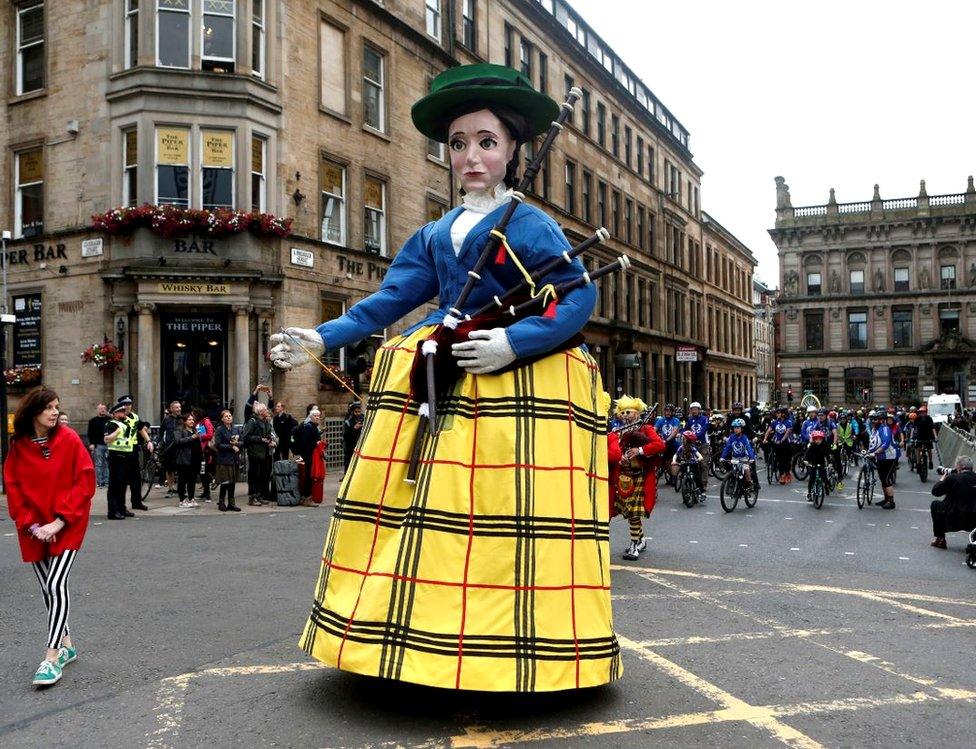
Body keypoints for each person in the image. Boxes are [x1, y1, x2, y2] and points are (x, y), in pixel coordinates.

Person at [268, 63, 620, 691]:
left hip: (511, 381)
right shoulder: (435, 233)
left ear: (513, 150)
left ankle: (505, 648)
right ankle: (421, 632)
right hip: (439, 370)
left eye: (486, 142)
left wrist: (515, 340)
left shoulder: (529, 223)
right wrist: (324, 337)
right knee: (422, 507)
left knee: (501, 514)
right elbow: (390, 300)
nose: (471, 157)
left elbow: (575, 295)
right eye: (459, 144)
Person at [4, 387, 95, 687]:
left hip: (67, 523)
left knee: (56, 583)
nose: (55, 412)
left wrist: (57, 523)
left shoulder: (68, 439)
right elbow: (14, 489)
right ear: (33, 412)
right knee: (48, 589)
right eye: (49, 408)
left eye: (57, 406)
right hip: (33, 528)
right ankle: (68, 645)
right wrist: (32, 526)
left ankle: (52, 658)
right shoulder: (18, 446)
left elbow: (85, 481)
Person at [609, 396, 665, 560]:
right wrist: (620, 458)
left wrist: (639, 450)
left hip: (639, 475)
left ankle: (634, 545)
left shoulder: (646, 429)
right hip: (623, 476)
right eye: (623, 412)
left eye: (629, 412)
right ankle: (641, 540)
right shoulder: (617, 432)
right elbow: (614, 451)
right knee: (628, 511)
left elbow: (659, 445)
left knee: (633, 512)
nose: (626, 415)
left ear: (637, 413)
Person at [929, 456, 976, 548]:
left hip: (953, 517)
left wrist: (942, 479)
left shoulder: (953, 478)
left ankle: (940, 538)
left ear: (958, 467)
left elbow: (936, 491)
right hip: (973, 519)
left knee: (935, 504)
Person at [118, 395, 151, 511]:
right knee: (121, 480)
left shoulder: (135, 417)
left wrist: (149, 441)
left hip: (133, 451)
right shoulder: (118, 417)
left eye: (129, 404)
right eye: (125, 404)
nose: (127, 406)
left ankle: (136, 502)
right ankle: (121, 506)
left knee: (136, 479)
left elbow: (141, 429)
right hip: (121, 452)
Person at [104, 401, 135, 519]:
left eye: (124, 411)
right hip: (116, 456)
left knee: (122, 484)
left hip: (126, 456)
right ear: (114, 414)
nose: (124, 412)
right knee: (114, 485)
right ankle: (113, 511)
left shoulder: (125, 424)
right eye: (121, 411)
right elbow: (106, 439)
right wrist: (117, 432)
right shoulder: (111, 424)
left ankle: (122, 508)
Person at [242, 401, 275, 506]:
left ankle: (260, 495)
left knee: (263, 475)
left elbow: (269, 434)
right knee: (254, 476)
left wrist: (271, 441)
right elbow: (246, 437)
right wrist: (261, 439)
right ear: (260, 412)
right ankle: (252, 497)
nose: (267, 411)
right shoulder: (252, 422)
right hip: (255, 453)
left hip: (265, 453)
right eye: (265, 410)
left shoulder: (266, 422)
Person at [212, 410, 242, 512]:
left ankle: (231, 503)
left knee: (232, 483)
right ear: (222, 419)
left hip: (234, 459)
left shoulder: (236, 429)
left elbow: (242, 442)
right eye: (226, 416)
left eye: (230, 416)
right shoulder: (220, 430)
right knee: (225, 482)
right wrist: (231, 447)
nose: (229, 417)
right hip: (224, 459)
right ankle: (221, 502)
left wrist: (237, 444)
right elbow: (218, 445)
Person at [867, 409, 898, 509]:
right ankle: (886, 499)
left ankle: (891, 502)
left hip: (889, 457)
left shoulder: (885, 429)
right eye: (872, 419)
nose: (873, 421)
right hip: (880, 457)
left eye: (875, 420)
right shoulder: (875, 430)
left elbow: (886, 443)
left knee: (887, 478)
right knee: (882, 478)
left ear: (881, 420)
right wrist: (868, 452)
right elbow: (873, 443)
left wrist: (875, 453)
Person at [171, 413, 202, 508]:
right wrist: (192, 437)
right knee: (182, 480)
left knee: (192, 480)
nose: (192, 421)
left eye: (193, 419)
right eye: (189, 419)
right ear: (184, 421)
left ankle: (191, 498)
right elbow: (178, 441)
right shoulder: (179, 429)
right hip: (184, 459)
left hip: (195, 459)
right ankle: (182, 499)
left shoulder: (194, 430)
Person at [293, 409, 323, 502]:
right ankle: (306, 497)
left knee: (309, 475)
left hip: (310, 454)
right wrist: (316, 443)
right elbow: (305, 442)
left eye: (318, 415)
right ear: (310, 417)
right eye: (315, 416)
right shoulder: (309, 426)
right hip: (308, 454)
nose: (317, 417)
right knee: (308, 475)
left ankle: (306, 497)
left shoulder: (313, 426)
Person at [670, 430, 705, 501]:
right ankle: (686, 491)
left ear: (688, 440)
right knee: (683, 476)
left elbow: (700, 456)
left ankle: (702, 492)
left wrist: (699, 459)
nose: (682, 439)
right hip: (684, 464)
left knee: (697, 477)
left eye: (684, 438)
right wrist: (674, 461)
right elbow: (676, 455)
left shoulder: (692, 448)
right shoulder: (681, 447)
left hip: (693, 464)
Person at [720, 419, 756, 487]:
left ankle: (749, 483)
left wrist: (752, 458)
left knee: (746, 470)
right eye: (734, 428)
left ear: (742, 429)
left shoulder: (745, 438)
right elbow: (727, 448)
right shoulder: (731, 437)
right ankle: (734, 483)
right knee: (733, 471)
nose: (736, 429)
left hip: (744, 458)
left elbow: (749, 448)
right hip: (735, 457)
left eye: (738, 428)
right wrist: (722, 457)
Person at [764, 406, 794, 484]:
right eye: (776, 413)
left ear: (783, 414)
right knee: (780, 460)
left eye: (778, 413)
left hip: (787, 442)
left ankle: (787, 473)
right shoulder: (774, 422)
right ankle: (781, 475)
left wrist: (782, 440)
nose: (777, 414)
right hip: (777, 442)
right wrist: (765, 439)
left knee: (786, 460)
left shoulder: (788, 422)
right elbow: (768, 430)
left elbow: (787, 432)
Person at [158, 400, 182, 497]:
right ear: (171, 409)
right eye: (176, 407)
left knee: (181, 468)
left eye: (179, 407)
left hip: (180, 446)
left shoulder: (182, 419)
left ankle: (181, 487)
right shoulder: (166, 419)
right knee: (169, 468)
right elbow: (161, 432)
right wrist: (157, 442)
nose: (179, 409)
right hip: (169, 446)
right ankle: (170, 488)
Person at [654, 403, 681, 484]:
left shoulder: (675, 420)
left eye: (669, 411)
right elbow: (654, 429)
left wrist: (667, 439)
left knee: (673, 461)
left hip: (674, 444)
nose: (667, 413)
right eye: (666, 411)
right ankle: (671, 475)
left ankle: (674, 478)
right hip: (664, 444)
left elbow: (675, 431)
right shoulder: (661, 420)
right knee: (664, 462)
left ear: (673, 412)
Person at [192, 408, 215, 502]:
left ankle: (208, 493)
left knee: (204, 471)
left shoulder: (206, 421)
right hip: (200, 449)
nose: (192, 417)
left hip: (206, 450)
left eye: (193, 415)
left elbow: (210, 434)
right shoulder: (199, 423)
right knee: (202, 472)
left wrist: (199, 436)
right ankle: (206, 491)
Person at [86, 403, 110, 488]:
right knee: (99, 464)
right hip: (98, 445)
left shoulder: (110, 420)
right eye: (100, 408)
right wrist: (91, 443)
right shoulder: (92, 421)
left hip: (109, 444)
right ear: (97, 410)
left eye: (104, 408)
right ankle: (100, 481)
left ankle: (107, 481)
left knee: (107, 463)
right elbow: (90, 433)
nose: (102, 410)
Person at [803, 430, 831, 502]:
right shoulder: (812, 446)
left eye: (820, 439)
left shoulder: (824, 446)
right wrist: (805, 460)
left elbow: (827, 455)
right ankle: (809, 493)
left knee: (824, 477)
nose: (818, 441)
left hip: (821, 463)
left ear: (822, 439)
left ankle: (827, 486)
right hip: (813, 463)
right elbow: (806, 454)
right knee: (812, 478)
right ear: (814, 439)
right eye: (816, 439)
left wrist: (830, 463)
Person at [342, 401, 364, 470]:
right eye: (356, 412)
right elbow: (346, 436)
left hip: (361, 445)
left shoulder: (363, 418)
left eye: (359, 412)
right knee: (349, 463)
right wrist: (354, 428)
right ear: (352, 412)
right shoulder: (348, 422)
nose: (358, 414)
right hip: (350, 447)